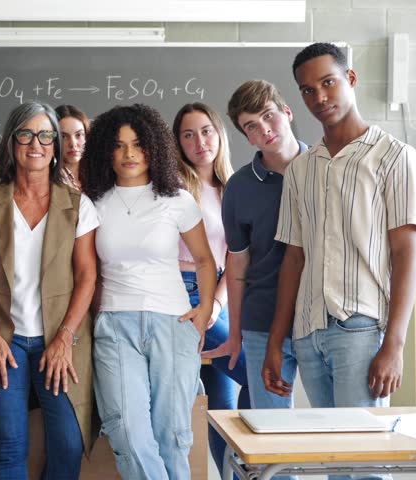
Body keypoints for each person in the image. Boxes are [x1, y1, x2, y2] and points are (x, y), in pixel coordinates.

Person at [262, 43, 416, 480]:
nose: (319, 97)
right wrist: (278, 341)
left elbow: (405, 253)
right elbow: (293, 258)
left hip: (360, 329)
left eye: (328, 83)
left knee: (367, 464)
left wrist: (394, 344)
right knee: (336, 462)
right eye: (307, 90)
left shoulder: (394, 157)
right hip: (308, 332)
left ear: (350, 80)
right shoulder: (301, 169)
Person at [0, 101, 98, 479]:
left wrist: (65, 337)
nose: (35, 143)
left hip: (60, 337)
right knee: (7, 446)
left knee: (69, 445)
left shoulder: (77, 205)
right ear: (11, 142)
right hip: (7, 340)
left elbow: (87, 275)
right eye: (25, 134)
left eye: (45, 135)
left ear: (55, 146)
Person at [82, 103, 217, 479]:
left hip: (172, 322)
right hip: (114, 326)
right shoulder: (93, 203)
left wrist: (204, 310)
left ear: (153, 147)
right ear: (105, 151)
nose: (129, 154)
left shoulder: (177, 199)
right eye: (119, 145)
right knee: (125, 428)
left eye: (138, 144)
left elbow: (206, 261)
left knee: (172, 435)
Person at [204, 79, 309, 480]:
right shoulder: (240, 187)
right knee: (270, 440)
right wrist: (235, 334)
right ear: (243, 135)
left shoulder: (324, 168)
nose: (263, 128)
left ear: (287, 112)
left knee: (339, 430)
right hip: (263, 322)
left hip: (322, 319)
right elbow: (237, 264)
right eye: (250, 125)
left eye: (268, 115)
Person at [172, 102, 249, 480]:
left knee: (222, 406)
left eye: (205, 130)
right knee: (262, 376)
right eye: (188, 134)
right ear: (178, 143)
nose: (199, 141)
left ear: (219, 134)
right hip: (185, 291)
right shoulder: (171, 187)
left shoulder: (234, 187)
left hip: (225, 292)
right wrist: (209, 304)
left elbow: (236, 255)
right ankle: (268, 472)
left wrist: (218, 303)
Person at [56, 104, 89, 190]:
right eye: (64, 136)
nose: (73, 144)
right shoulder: (49, 180)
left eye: (78, 135)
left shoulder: (98, 176)